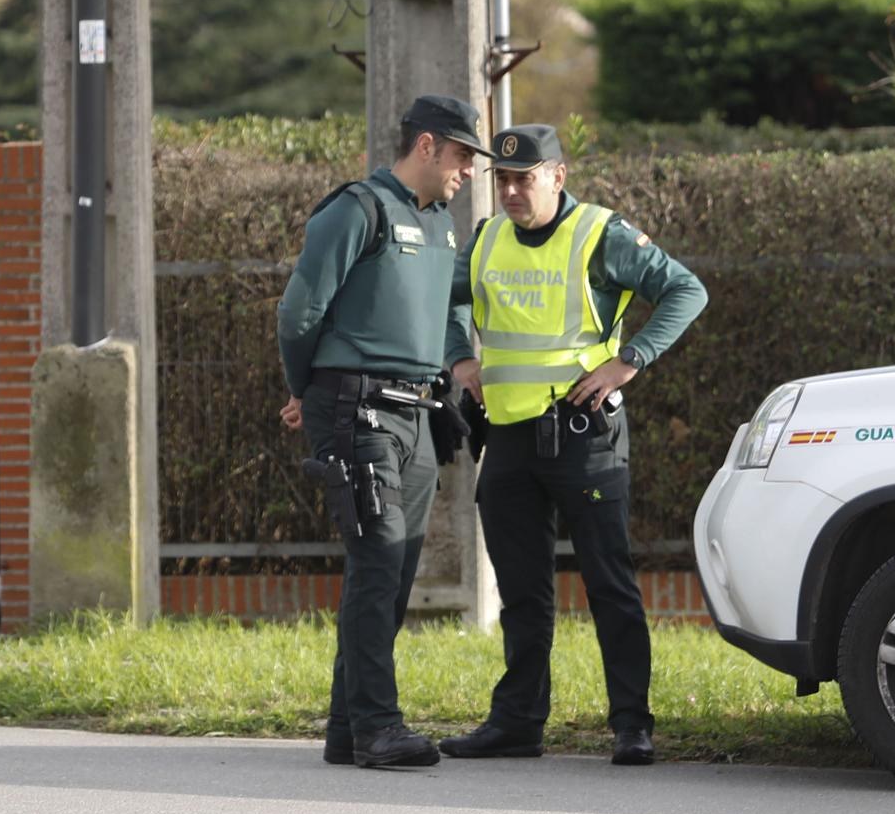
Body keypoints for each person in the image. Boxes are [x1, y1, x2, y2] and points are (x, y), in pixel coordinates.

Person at [439, 123, 709, 767]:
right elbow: (445, 299)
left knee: (609, 584)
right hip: (507, 440)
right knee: (523, 594)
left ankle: (631, 725)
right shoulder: (486, 239)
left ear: (558, 176)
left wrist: (630, 360)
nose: (509, 192)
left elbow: (685, 290)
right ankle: (517, 723)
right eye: (501, 180)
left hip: (585, 438)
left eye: (522, 179)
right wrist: (458, 359)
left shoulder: (600, 234)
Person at [275, 95, 488, 769]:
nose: (468, 172)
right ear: (426, 146)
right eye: (461, 156)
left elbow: (444, 306)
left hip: (418, 411)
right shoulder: (357, 209)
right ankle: (378, 725)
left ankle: (347, 726)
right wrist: (304, 387)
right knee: (378, 558)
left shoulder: (441, 224)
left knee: (391, 572)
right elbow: (298, 311)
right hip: (355, 408)